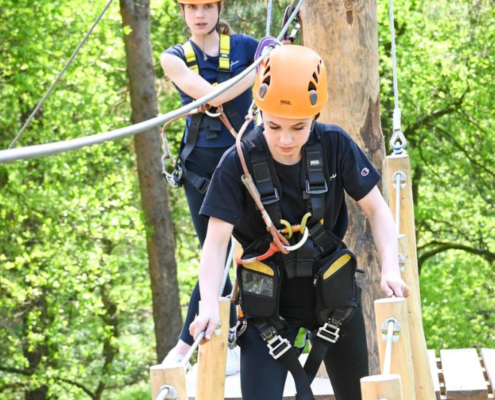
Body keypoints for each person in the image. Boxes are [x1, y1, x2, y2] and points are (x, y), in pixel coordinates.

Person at [190, 45, 410, 400]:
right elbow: (216, 243)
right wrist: (208, 307)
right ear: (259, 111)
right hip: (267, 306)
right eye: (273, 125)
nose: (286, 139)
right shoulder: (238, 161)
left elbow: (378, 210)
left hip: (332, 296)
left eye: (299, 127)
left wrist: (390, 269)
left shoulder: (334, 145)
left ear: (316, 115)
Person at [160, 0, 259, 374]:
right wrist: (261, 67)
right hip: (203, 169)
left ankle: (213, 338)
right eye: (192, 7)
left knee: (260, 248)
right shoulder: (174, 58)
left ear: (219, 8)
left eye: (207, 6)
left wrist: (272, 53)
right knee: (212, 257)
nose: (200, 14)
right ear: (183, 11)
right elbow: (211, 97)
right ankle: (204, 340)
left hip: (248, 161)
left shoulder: (247, 47)